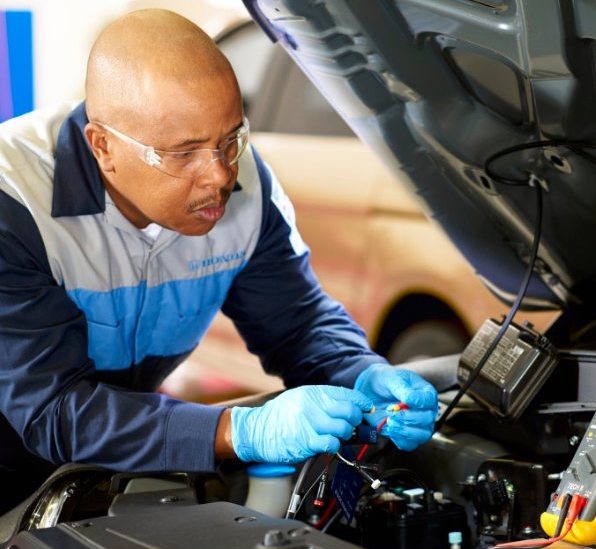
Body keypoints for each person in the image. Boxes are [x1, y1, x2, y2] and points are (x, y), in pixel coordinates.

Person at [0, 9, 437, 512]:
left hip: (89, 474)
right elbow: (53, 411)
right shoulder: (18, 205)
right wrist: (238, 430)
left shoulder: (246, 187)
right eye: (184, 153)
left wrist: (359, 372)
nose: (221, 176)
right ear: (103, 147)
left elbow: (296, 323)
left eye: (230, 137)